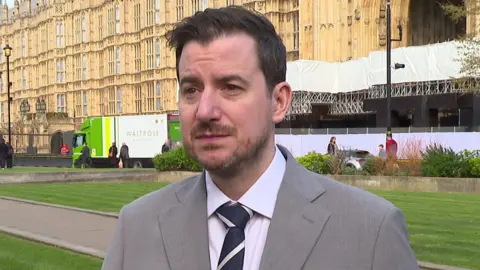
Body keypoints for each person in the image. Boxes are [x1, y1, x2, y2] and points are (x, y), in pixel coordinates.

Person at [102, 6, 418, 270]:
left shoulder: (371, 230)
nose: (205, 110)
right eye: (191, 90)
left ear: (278, 101)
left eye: (231, 87)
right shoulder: (137, 227)